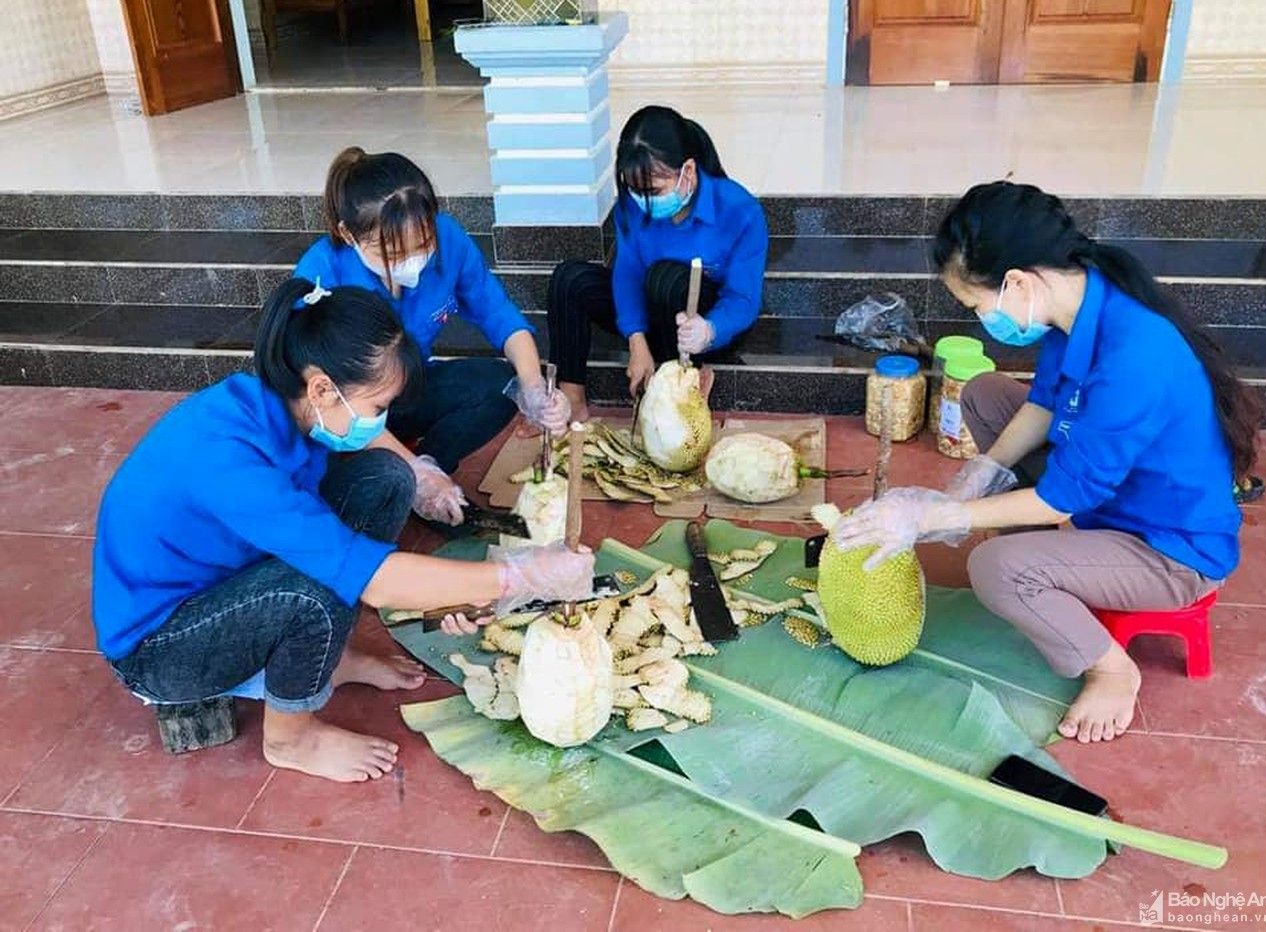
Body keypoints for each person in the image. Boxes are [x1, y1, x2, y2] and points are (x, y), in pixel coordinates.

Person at [92, 278, 593, 783]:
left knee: (387, 478)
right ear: (323, 388)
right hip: (160, 648)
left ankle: (330, 659)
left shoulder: (281, 408)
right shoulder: (226, 458)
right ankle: (291, 738)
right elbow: (370, 576)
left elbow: (365, 505)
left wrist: (428, 495)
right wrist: (515, 578)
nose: (381, 422)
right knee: (313, 588)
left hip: (226, 579)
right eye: (377, 408)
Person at [832, 181, 1261, 745]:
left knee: (998, 569)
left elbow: (1063, 497)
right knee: (986, 392)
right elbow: (1043, 403)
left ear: (1016, 283)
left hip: (1171, 549)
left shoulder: (1136, 356)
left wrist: (929, 518)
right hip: (1115, 495)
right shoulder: (1081, 306)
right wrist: (980, 474)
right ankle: (1051, 546)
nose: (982, 317)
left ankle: (1112, 669)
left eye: (976, 305)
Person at [296, 146, 570, 525]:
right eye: (392, 251)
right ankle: (409, 478)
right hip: (347, 418)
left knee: (499, 387)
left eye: (423, 244)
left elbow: (498, 312)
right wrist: (413, 470)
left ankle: (433, 477)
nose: (412, 260)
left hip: (405, 391)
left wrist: (535, 387)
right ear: (349, 235)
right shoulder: (321, 279)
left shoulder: (449, 240)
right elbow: (327, 404)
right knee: (363, 492)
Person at [546, 105, 769, 422]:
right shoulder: (632, 206)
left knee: (667, 278)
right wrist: (636, 342)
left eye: (652, 191)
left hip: (703, 326)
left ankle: (685, 383)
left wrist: (710, 330)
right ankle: (571, 401)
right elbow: (627, 275)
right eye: (635, 190)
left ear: (687, 171)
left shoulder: (739, 210)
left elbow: (743, 298)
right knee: (570, 278)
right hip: (651, 312)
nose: (643, 202)